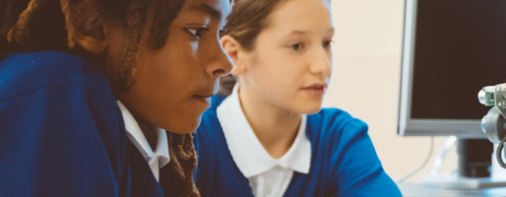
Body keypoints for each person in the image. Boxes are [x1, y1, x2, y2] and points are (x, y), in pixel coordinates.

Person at [0, 0, 232, 196]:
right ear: (94, 27)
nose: (225, 64)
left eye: (221, 31)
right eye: (197, 31)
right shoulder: (53, 91)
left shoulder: (168, 133)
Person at [192, 0, 402, 196]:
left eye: (326, 42)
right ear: (235, 55)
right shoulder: (194, 138)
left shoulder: (340, 138)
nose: (323, 66)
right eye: (296, 46)